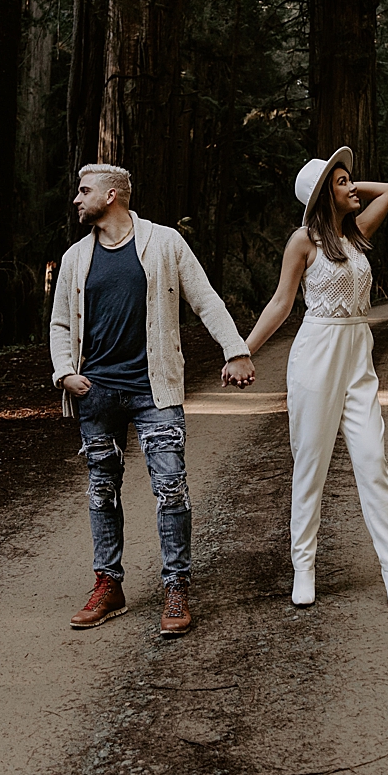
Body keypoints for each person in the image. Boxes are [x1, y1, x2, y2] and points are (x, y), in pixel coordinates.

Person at [49, 163, 254, 636]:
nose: (77, 199)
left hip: (153, 390)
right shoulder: (76, 257)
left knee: (170, 486)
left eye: (84, 191)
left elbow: (205, 299)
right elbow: (60, 322)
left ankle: (176, 586)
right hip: (96, 393)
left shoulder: (164, 242)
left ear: (111, 195)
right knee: (102, 489)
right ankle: (108, 585)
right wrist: (64, 373)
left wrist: (236, 350)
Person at [234, 148, 388, 610]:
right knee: (310, 466)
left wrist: (345, 186)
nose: (353, 188)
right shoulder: (304, 241)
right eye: (342, 182)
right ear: (321, 195)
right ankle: (304, 569)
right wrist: (242, 351)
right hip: (316, 357)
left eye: (351, 180)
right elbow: (280, 304)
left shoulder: (357, 233)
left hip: (358, 358)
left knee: (373, 461)